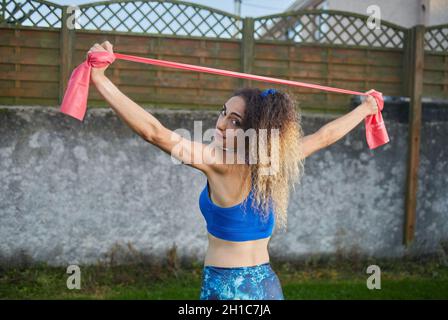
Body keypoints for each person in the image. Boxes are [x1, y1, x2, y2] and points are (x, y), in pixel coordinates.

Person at [87, 41, 379, 300]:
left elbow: (156, 133)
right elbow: (324, 136)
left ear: (254, 129)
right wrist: (366, 109)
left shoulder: (220, 163)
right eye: (222, 112)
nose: (221, 124)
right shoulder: (273, 160)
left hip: (228, 289)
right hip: (266, 286)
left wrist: (99, 79)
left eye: (235, 121)